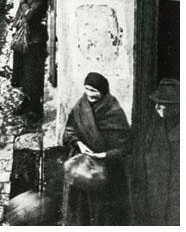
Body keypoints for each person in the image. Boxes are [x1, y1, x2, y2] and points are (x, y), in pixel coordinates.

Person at [62, 72, 131, 225]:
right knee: (81, 211)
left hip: (107, 171)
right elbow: (69, 130)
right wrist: (79, 144)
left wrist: (105, 155)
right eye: (87, 89)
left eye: (94, 90)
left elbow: (125, 147)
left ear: (103, 91)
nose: (89, 94)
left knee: (104, 213)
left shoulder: (114, 111)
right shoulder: (81, 106)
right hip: (83, 169)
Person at [134, 78, 179, 225]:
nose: (157, 107)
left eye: (162, 104)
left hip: (176, 192)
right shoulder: (154, 124)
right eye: (156, 103)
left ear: (176, 107)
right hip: (155, 189)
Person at [12, 0, 49, 122]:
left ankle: (35, 107)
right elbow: (21, 9)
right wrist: (15, 24)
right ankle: (26, 101)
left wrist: (23, 18)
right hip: (22, 36)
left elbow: (31, 13)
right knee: (22, 71)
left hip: (34, 38)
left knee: (32, 72)